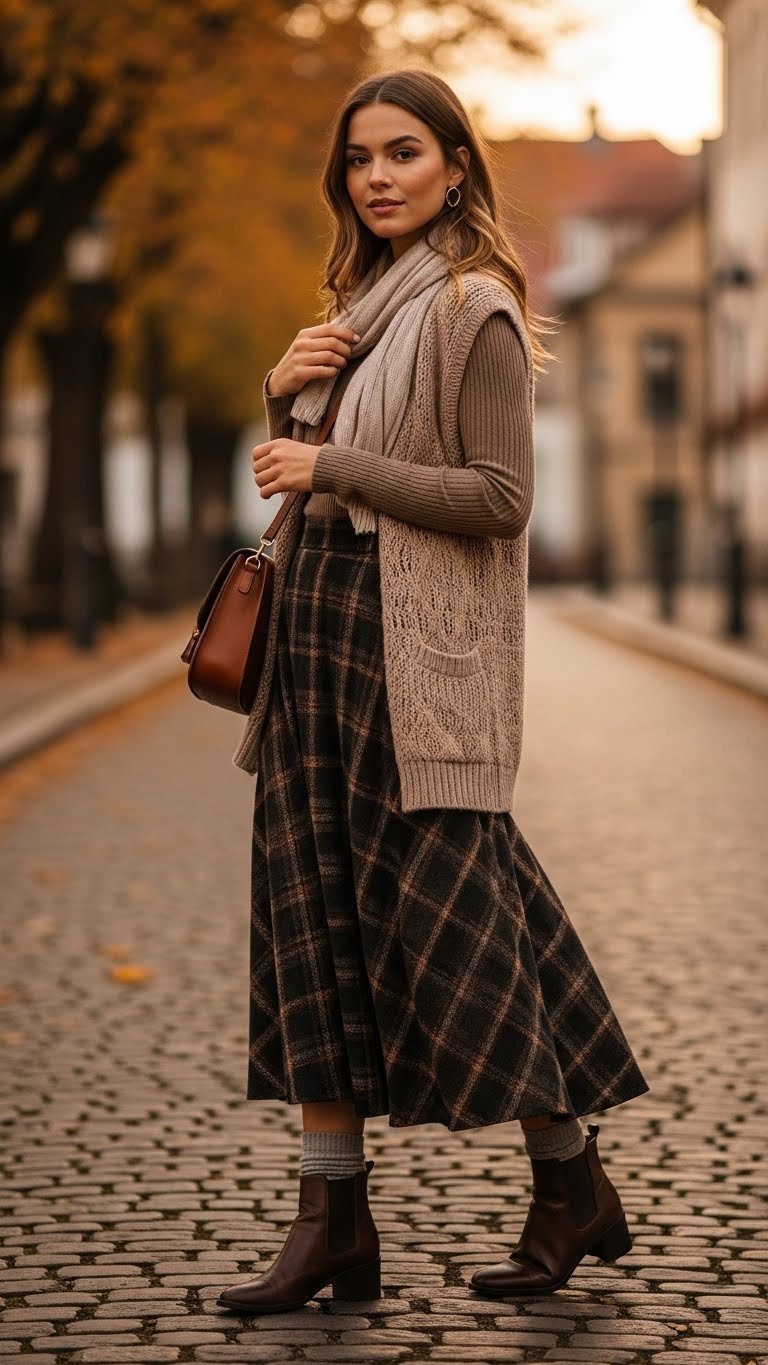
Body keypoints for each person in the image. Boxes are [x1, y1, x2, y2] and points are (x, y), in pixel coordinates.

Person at [218, 67, 649, 1315]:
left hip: (419, 668)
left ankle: (569, 1184)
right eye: (360, 159)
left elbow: (500, 501)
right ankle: (332, 1220)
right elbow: (316, 471)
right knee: (314, 924)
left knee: (467, 933)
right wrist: (289, 391)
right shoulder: (359, 308)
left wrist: (329, 454)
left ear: (456, 164)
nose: (378, 177)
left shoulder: (475, 312)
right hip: (319, 649)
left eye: (404, 152)